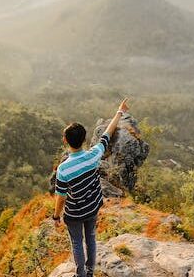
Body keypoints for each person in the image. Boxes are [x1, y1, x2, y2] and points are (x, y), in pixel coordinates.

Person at [53, 98, 130, 277]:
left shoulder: (64, 169)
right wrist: (119, 112)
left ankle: (80, 275)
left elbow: (61, 197)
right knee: (91, 238)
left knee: (77, 243)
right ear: (84, 139)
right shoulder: (94, 154)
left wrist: (56, 216)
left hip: (74, 214)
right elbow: (107, 134)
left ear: (65, 140)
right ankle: (89, 272)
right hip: (93, 206)